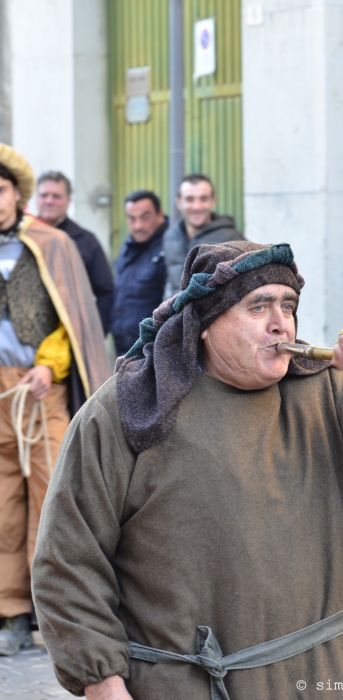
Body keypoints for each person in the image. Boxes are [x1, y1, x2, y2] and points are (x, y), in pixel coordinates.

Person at [32, 240, 343, 700]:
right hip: (187, 686)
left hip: (322, 678)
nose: (281, 322)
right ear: (205, 323)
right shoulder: (131, 408)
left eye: (288, 305)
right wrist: (101, 680)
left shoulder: (328, 394)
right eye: (258, 306)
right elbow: (69, 558)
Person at [0, 144, 111, 657]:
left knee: (52, 496)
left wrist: (49, 364)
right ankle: (12, 611)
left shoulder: (53, 244)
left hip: (41, 390)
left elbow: (70, 320)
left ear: (15, 194)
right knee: (3, 507)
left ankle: (58, 608)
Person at [36, 171, 114, 335]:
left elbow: (106, 291)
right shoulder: (22, 238)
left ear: (68, 201)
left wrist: (96, 333)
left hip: (71, 335)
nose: (49, 201)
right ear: (36, 198)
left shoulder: (86, 241)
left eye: (56, 196)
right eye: (44, 195)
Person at [163, 173, 244, 298]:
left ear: (213, 201)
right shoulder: (170, 237)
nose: (197, 206)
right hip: (177, 316)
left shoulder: (232, 239)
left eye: (204, 199)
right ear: (178, 203)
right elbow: (171, 284)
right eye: (190, 199)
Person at [111, 189, 168, 357]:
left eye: (145, 217)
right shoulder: (128, 246)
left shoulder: (169, 249)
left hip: (152, 352)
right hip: (124, 349)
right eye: (132, 218)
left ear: (160, 215)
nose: (138, 226)